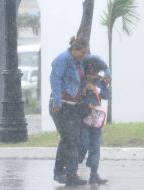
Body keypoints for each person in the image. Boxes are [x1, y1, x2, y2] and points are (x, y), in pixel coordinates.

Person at [49, 36, 89, 186]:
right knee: (69, 140)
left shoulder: (78, 62)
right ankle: (63, 173)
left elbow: (95, 63)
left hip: (73, 107)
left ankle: (68, 174)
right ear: (75, 49)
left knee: (73, 140)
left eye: (85, 53)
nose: (84, 55)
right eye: (82, 52)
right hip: (61, 106)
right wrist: (58, 101)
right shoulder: (63, 59)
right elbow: (55, 79)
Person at [78, 57, 110, 184]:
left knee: (95, 146)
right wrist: (85, 90)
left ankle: (94, 173)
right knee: (83, 144)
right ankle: (73, 168)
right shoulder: (81, 81)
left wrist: (105, 84)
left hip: (95, 118)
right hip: (84, 116)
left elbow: (107, 96)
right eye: (92, 71)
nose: (94, 74)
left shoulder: (99, 81)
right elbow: (77, 97)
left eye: (96, 71)